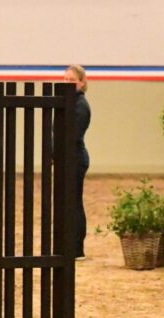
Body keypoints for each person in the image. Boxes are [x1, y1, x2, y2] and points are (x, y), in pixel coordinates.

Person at [64, 64, 92, 260]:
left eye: (72, 81)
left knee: (74, 202)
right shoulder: (68, 103)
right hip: (68, 157)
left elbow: (72, 135)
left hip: (75, 159)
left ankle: (77, 248)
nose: (67, 84)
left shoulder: (81, 106)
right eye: (65, 80)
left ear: (81, 83)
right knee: (69, 202)